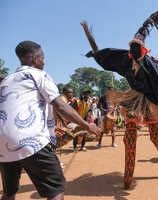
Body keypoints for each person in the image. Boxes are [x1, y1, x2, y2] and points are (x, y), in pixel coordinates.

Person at [81, 7, 158, 189]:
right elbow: (108, 60)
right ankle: (128, 177)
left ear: (142, 54)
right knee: (130, 135)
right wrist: (97, 54)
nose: (135, 57)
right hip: (134, 101)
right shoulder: (125, 63)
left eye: (137, 54)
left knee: (156, 135)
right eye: (133, 53)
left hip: (151, 102)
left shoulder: (149, 65)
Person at [0, 41, 100, 200]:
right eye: (42, 57)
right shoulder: (39, 75)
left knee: (8, 192)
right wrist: (87, 125)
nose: (44, 62)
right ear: (34, 58)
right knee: (56, 190)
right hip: (29, 139)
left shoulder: (6, 81)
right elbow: (60, 106)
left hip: (2, 144)